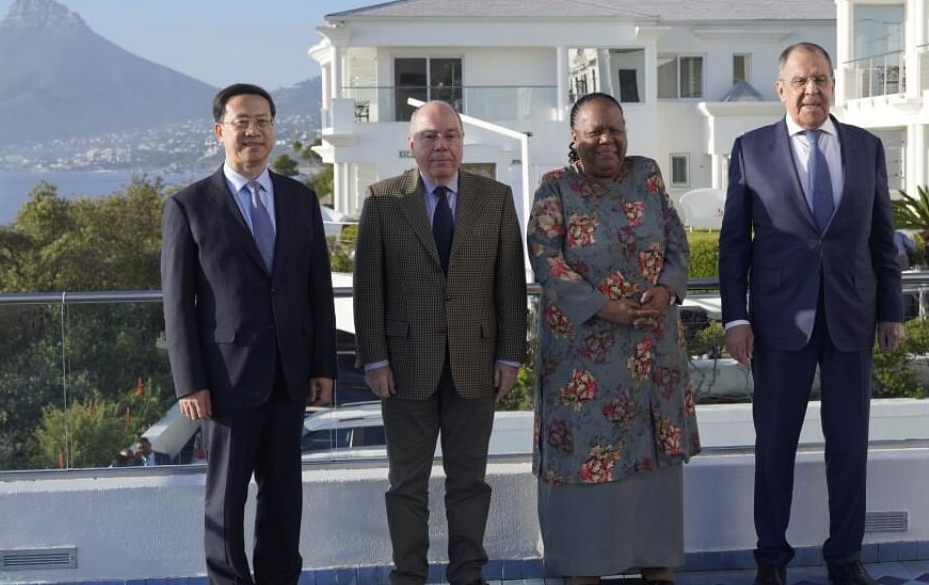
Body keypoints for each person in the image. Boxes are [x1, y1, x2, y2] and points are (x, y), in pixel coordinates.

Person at [718, 42, 904, 585]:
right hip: (777, 324)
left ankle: (845, 558)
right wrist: (736, 318)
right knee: (774, 448)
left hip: (852, 319)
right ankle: (771, 560)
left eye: (820, 79)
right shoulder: (751, 150)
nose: (811, 90)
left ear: (833, 85)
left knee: (849, 449)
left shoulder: (866, 148)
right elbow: (735, 245)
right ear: (781, 89)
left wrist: (891, 310)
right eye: (800, 81)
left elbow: (881, 238)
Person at [162, 83, 337, 585]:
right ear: (220, 131)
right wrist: (188, 381)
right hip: (223, 383)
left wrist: (323, 366)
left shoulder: (301, 199)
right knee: (225, 499)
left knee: (284, 497)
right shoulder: (189, 206)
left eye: (263, 121)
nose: (253, 131)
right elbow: (177, 305)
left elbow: (317, 292)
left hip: (289, 375)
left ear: (274, 131)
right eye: (242, 121)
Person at [352, 100, 528, 585]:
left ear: (462, 142)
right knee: (406, 484)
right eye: (429, 136)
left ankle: (467, 573)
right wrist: (375, 360)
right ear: (411, 145)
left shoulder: (494, 199)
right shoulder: (382, 201)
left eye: (450, 134)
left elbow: (510, 285)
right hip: (404, 366)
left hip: (477, 362)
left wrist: (511, 355)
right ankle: (408, 575)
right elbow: (368, 290)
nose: (441, 145)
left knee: (468, 482)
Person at [527, 93, 699, 584]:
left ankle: (656, 566)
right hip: (584, 368)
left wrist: (666, 291)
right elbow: (547, 261)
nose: (607, 140)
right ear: (574, 139)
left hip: (651, 358)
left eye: (615, 129)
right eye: (595, 131)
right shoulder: (555, 188)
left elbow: (676, 241)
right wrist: (605, 307)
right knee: (586, 471)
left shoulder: (646, 175)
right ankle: (585, 571)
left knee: (652, 472)